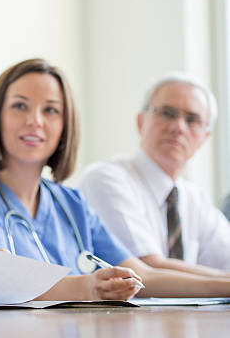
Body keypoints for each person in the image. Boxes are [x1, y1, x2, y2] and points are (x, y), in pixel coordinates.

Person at [0, 59, 230, 300]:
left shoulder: (71, 204)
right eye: (20, 106)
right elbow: (2, 284)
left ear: (65, 127)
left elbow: (145, 276)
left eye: (51, 110)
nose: (35, 120)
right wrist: (90, 286)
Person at [79, 74, 230, 275]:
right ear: (141, 122)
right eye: (167, 113)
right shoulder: (105, 179)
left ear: (205, 137)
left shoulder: (196, 199)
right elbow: (147, 269)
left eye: (192, 120)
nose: (178, 127)